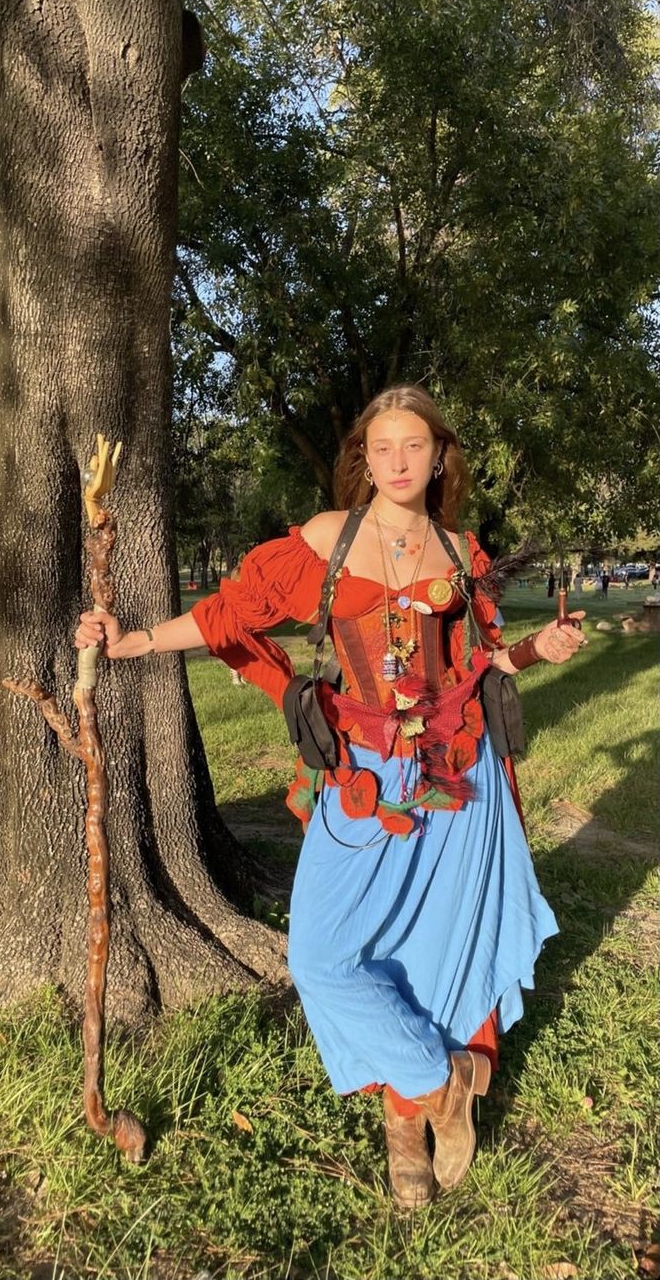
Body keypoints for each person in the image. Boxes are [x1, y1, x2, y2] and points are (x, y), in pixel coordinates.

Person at [75, 383, 588, 1211]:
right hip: (362, 778)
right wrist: (132, 639)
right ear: (362, 456)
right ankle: (444, 1075)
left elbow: (485, 661)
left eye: (413, 447)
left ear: (438, 456)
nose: (397, 462)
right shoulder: (326, 539)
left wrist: (539, 647)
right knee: (319, 953)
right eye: (381, 447)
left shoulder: (460, 552)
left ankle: (406, 1134)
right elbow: (227, 614)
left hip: (458, 779)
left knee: (433, 957)